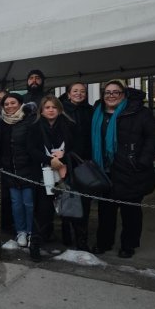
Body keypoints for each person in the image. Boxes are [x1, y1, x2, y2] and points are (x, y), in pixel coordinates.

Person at [91, 80, 155, 258]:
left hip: (131, 170)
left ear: (123, 94)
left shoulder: (138, 111)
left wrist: (142, 161)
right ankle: (104, 242)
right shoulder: (97, 112)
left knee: (130, 212)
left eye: (116, 92)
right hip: (105, 170)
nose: (111, 95)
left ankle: (128, 245)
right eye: (107, 92)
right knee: (105, 211)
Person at [28, 95, 76, 261]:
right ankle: (36, 244)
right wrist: (49, 160)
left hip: (65, 171)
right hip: (43, 172)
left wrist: (64, 155)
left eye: (53, 107)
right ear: (42, 110)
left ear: (59, 109)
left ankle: (69, 239)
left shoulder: (69, 125)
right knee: (43, 210)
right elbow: (31, 149)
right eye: (47, 107)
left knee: (68, 205)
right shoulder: (34, 127)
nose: (50, 110)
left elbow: (78, 146)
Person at [0, 93, 37, 247]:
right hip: (10, 169)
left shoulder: (29, 120)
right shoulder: (2, 122)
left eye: (12, 103)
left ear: (20, 103)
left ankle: (31, 231)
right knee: (16, 203)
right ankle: (20, 231)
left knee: (29, 202)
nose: (9, 106)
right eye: (6, 104)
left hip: (27, 168)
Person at [60, 82, 94, 250]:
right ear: (68, 94)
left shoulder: (91, 111)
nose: (79, 94)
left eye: (82, 91)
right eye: (75, 91)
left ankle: (82, 239)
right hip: (66, 161)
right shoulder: (61, 111)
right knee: (68, 198)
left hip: (85, 162)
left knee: (85, 202)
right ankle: (66, 233)